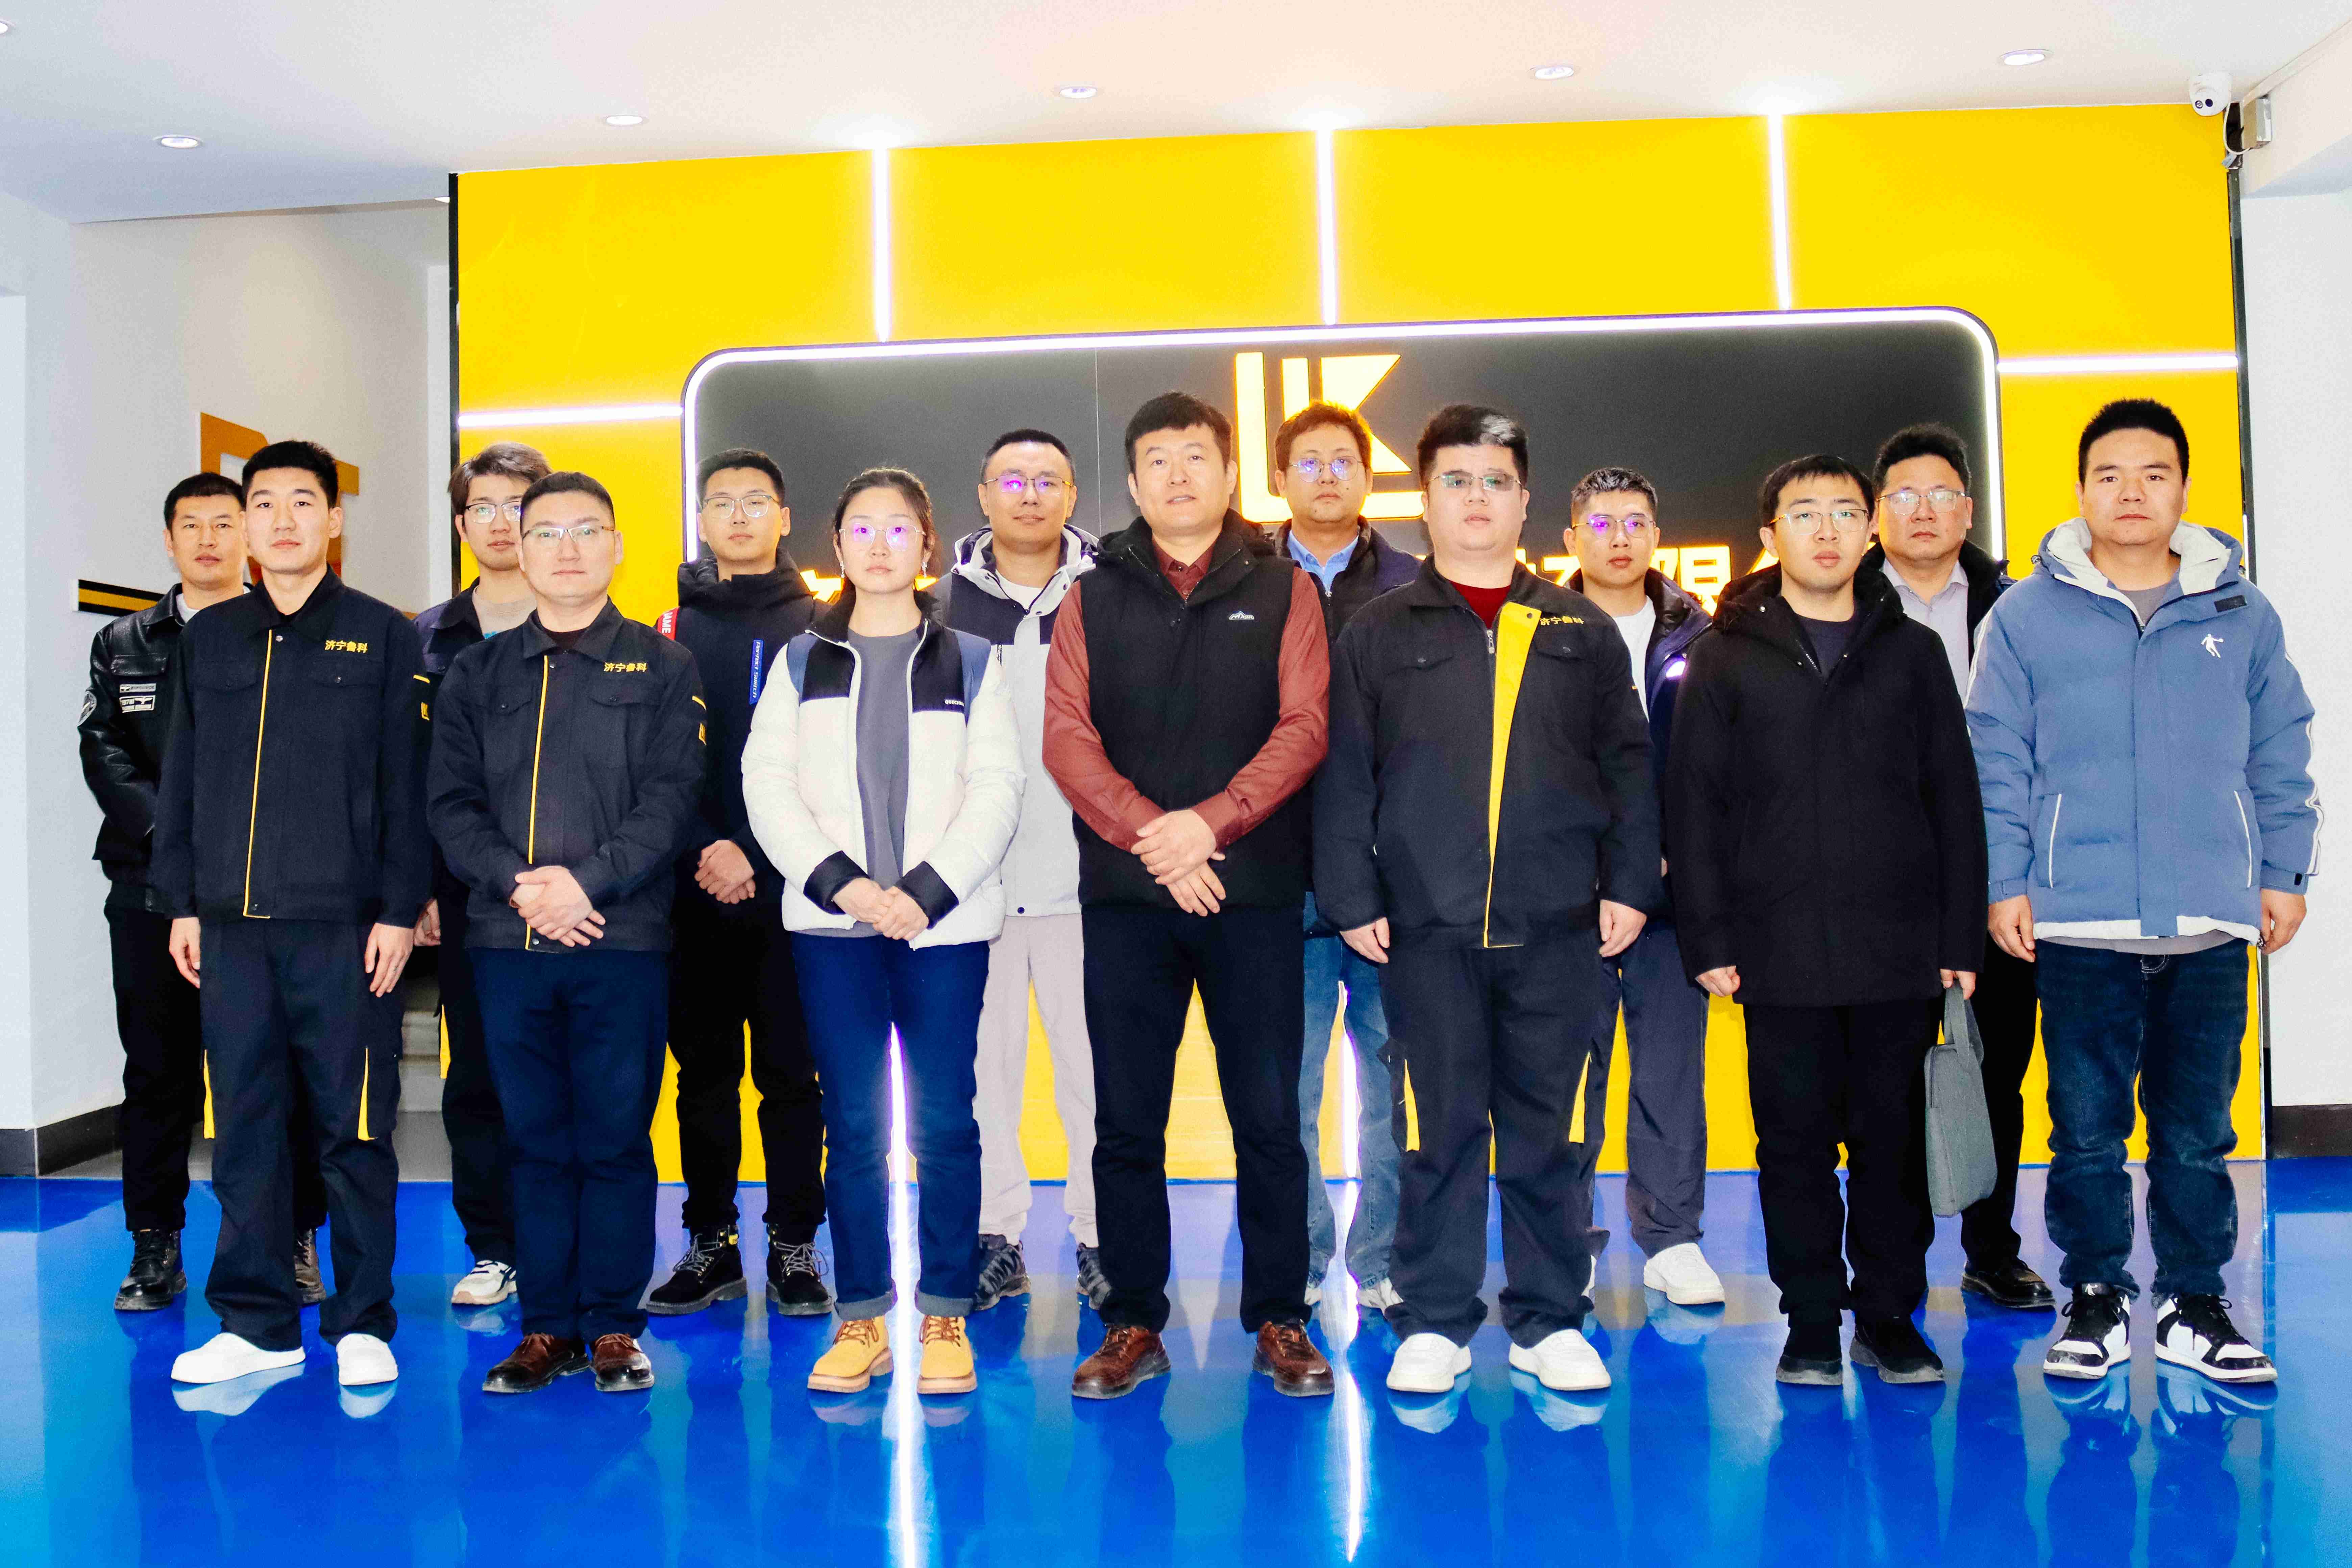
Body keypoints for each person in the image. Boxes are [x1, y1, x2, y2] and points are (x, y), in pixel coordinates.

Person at [1970, 400, 2318, 1385]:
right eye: (2111, 475)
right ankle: (2096, 1296)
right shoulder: (2026, 616)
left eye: (2154, 474)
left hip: (2210, 917)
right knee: (2085, 1131)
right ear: (2081, 491)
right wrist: (2005, 881)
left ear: (2184, 489)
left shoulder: (2239, 611)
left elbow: (2280, 748)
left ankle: (2194, 1305)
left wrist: (2283, 872)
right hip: (2078, 920)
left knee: (2199, 1131)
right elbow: (1995, 759)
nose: (2132, 493)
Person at [1316, 405, 1660, 1397]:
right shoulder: (1378, 632)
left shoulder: (1580, 631)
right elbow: (1346, 776)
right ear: (1425, 501)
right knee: (1434, 1132)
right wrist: (1352, 896)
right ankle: (1436, 1317)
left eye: (1497, 481)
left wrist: (1630, 885)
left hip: (1560, 933)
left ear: (1525, 502)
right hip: (1424, 934)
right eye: (1457, 480)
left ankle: (1550, 1318)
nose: (1478, 498)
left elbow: (1630, 772)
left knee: (1554, 1135)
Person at [1667, 452, 1985, 1388]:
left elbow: (1954, 799)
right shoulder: (1723, 654)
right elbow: (1694, 808)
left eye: (1846, 511)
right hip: (1777, 951)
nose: (1827, 529)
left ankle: (1889, 1315)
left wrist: (1958, 936)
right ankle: (1810, 1318)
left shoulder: (1911, 651)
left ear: (1869, 528)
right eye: (1805, 513)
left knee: (1893, 1143)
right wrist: (1709, 938)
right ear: (1771, 535)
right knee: (1793, 1146)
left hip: (1899, 949)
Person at [1043, 391, 1335, 1401]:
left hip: (1254, 896)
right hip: (1129, 901)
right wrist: (1156, 840)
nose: (1177, 474)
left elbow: (1304, 728)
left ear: (1230, 473)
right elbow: (1067, 739)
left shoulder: (1286, 588)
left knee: (1269, 1120)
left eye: (1196, 456)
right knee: (1127, 1122)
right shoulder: (1091, 596)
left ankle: (1282, 1316)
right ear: (1132, 482)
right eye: (1157, 459)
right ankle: (1132, 1320)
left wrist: (1210, 823)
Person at [153, 439, 427, 1392]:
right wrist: (182, 901)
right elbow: (183, 779)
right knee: (245, 1130)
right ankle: (256, 1323)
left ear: (334, 520)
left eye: (302, 502)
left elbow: (406, 784)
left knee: (355, 1133)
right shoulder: (211, 637)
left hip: (345, 932)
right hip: (230, 930)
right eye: (262, 503)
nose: (280, 521)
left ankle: (363, 1322)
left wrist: (401, 909)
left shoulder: (383, 635)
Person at [741, 468, 1022, 1398]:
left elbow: (998, 789)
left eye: (898, 528)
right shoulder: (801, 660)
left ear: (927, 546)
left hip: (945, 932)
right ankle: (862, 1318)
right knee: (855, 1127)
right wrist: (848, 888)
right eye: (860, 527)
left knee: (944, 1122)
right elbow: (767, 786)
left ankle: (945, 1312)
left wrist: (925, 896)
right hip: (835, 931)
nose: (878, 543)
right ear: (837, 546)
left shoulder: (973, 658)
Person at [428, 471, 706, 1396]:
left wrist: (586, 884)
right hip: (507, 943)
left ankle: (615, 1326)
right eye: (546, 532)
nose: (567, 548)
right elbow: (451, 804)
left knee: (617, 1138)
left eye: (588, 530)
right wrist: (521, 887)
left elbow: (672, 798)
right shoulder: (476, 673)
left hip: (620, 940)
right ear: (518, 547)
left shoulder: (663, 666)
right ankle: (547, 1326)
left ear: (618, 546)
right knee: (535, 1138)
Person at [81, 472, 329, 1312]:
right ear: (169, 539)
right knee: (157, 1073)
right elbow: (105, 750)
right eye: (192, 525)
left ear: (249, 536)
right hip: (149, 887)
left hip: (258, 891)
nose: (209, 539)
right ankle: (155, 1244)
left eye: (226, 522)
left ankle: (293, 1237)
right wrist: (179, 840)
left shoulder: (284, 631)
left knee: (278, 1073)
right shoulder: (123, 642)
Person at [1861, 422, 2051, 1312]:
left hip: (1999, 877)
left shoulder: (2023, 608)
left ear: (1969, 510)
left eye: (1941, 494)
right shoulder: (1844, 602)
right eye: (1903, 495)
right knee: (1886, 1080)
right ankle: (1892, 1265)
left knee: (1995, 1071)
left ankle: (1993, 1250)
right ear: (1876, 513)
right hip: (1882, 881)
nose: (1924, 511)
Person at [645, 447, 831, 1319]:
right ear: (702, 521)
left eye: (758, 501)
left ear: (785, 518)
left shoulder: (824, 625)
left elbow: (829, 765)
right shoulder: (666, 628)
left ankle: (795, 1244)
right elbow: (650, 766)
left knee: (792, 1078)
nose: (740, 516)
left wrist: (754, 850)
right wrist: (705, 848)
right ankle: (710, 1242)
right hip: (692, 891)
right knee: (704, 1077)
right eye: (722, 503)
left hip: (793, 891)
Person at [938, 428, 1106, 1311]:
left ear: (1073, 496)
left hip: (1089, 885)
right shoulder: (938, 606)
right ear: (983, 495)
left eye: (1048, 480)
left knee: (1097, 1083)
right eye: (1012, 479)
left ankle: (1101, 1239)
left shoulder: (1111, 594)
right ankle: (994, 1237)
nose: (1030, 494)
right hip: (975, 891)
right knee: (981, 1082)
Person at [1267, 401, 1417, 1313]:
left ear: (1368, 476)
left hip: (1395, 886)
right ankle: (1304, 1252)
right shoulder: (1246, 582)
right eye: (1309, 461)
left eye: (1343, 461)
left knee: (1393, 1088)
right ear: (1278, 480)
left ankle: (1384, 1258)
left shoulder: (1414, 585)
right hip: (1279, 882)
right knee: (1285, 1090)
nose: (1327, 476)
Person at [1561, 464, 1723, 1309]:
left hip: (1668, 901)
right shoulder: (1537, 631)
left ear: (1658, 537)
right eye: (1600, 523)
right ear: (1570, 539)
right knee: (1565, 1080)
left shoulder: (1702, 636)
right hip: (1567, 900)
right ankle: (1567, 1241)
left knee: (1670, 1074)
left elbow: (1717, 772)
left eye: (1634, 522)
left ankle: (1671, 1238)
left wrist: (1667, 857)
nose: (1618, 538)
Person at [413, 440, 549, 1311]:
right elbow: (406, 774)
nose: (502, 524)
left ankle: (570, 1246)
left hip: (583, 893)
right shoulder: (423, 637)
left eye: (520, 506)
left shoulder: (590, 622)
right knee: (478, 1076)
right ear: (463, 524)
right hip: (466, 896)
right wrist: (419, 887)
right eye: (484, 508)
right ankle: (495, 1247)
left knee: (571, 1076)